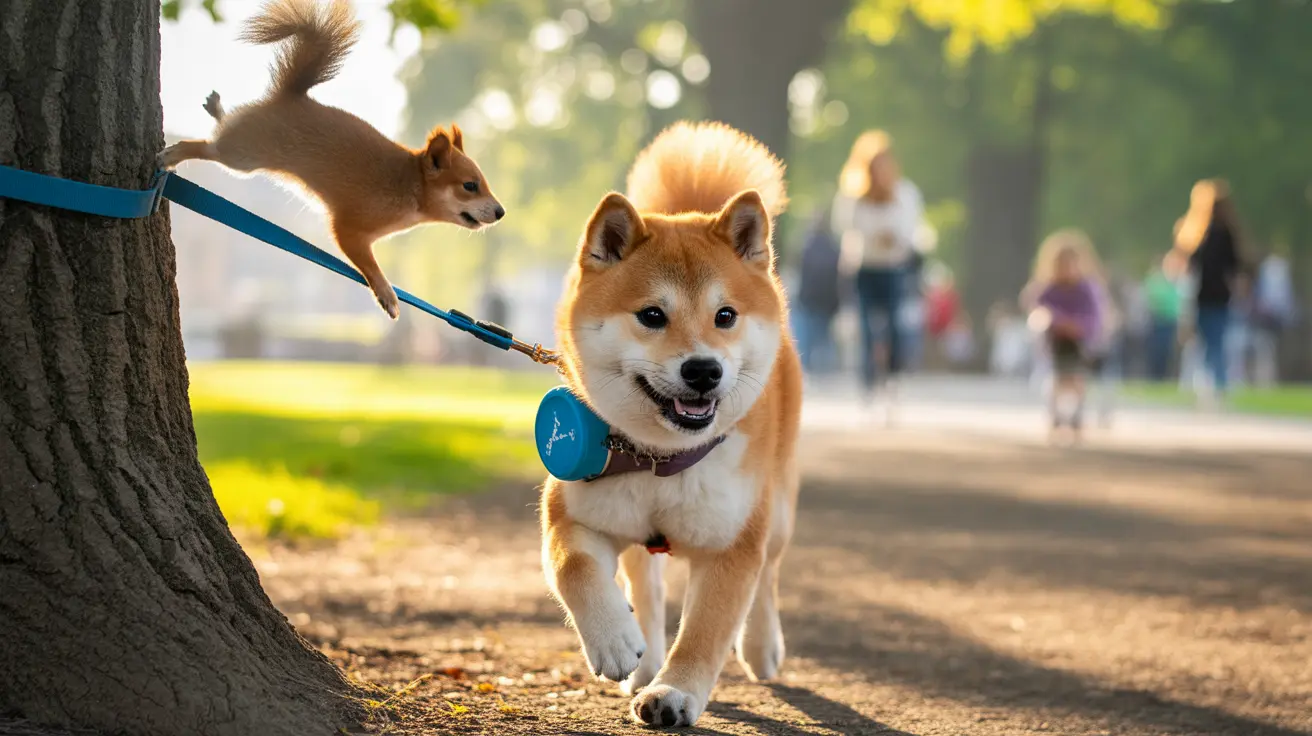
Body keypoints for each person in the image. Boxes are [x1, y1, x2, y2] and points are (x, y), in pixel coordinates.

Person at [831, 130, 926, 404]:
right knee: (866, 329)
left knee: (896, 325)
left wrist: (894, 238)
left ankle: (893, 378)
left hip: (895, 268)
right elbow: (844, 226)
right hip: (863, 268)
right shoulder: (853, 196)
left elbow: (911, 229)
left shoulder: (905, 193)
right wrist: (873, 235)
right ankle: (868, 383)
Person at [1022, 229, 1109, 440]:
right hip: (1056, 343)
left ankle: (1077, 416)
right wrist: (1053, 320)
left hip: (1080, 343)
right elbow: (1034, 305)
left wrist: (1078, 327)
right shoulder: (1049, 289)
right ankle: (1055, 416)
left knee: (1077, 378)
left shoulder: (1087, 289)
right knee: (1057, 379)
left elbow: (1095, 317)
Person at [1175, 179, 1244, 403]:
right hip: (1216, 296)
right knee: (1215, 342)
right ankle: (1216, 386)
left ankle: (1211, 386)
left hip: (1205, 296)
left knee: (1208, 343)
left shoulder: (1199, 235)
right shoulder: (1222, 233)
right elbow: (1235, 267)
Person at [793, 207, 842, 375]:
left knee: (806, 337)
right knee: (825, 337)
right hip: (828, 301)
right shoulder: (834, 246)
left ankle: (805, 369)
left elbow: (802, 273)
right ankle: (827, 371)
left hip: (808, 299)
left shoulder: (807, 245)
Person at [1250, 247, 1297, 386]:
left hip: (1273, 319)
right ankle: (1265, 380)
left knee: (1268, 351)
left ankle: (1269, 379)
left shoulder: (1276, 272)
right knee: (1265, 350)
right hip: (1267, 319)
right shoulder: (1267, 272)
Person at [1142, 249, 1186, 381]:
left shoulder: (1174, 281)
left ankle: (1165, 378)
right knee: (1156, 352)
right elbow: (1151, 300)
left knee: (1169, 353)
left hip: (1171, 322)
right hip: (1157, 321)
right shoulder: (1155, 281)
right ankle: (1155, 377)